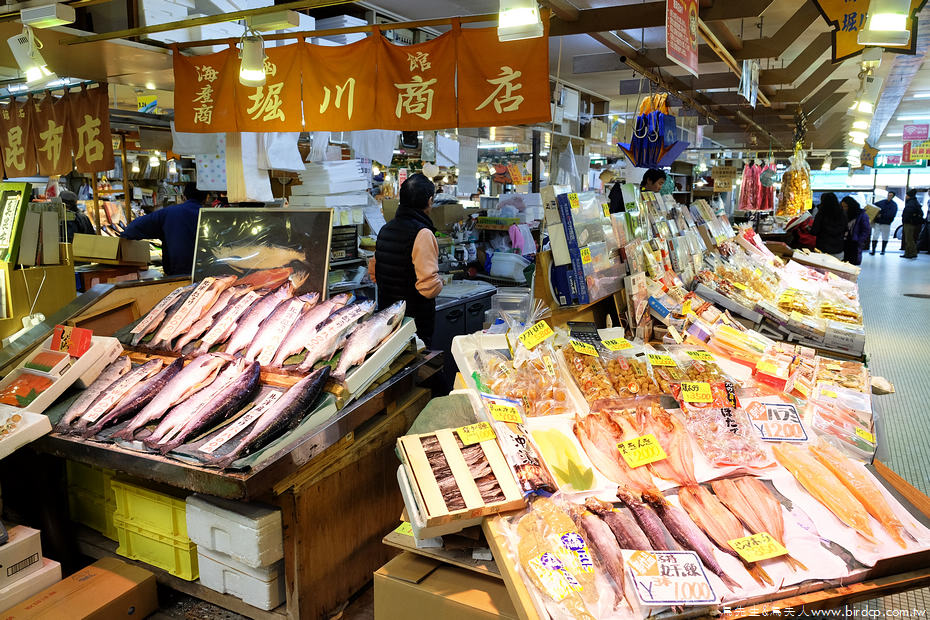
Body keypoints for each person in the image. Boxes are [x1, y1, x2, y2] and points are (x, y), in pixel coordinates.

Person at [374, 173, 442, 347]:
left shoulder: (385, 229)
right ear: (430, 201)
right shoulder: (423, 233)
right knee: (419, 368)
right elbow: (428, 288)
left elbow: (374, 273)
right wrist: (440, 283)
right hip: (414, 321)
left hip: (387, 318)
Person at [121, 182, 207, 276]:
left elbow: (131, 229)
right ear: (206, 198)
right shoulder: (212, 215)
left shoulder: (168, 213)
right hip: (209, 274)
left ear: (183, 196)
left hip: (177, 275)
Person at [809, 192, 846, 260]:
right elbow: (845, 229)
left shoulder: (821, 214)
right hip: (838, 248)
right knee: (836, 269)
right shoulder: (842, 214)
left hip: (823, 249)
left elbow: (814, 231)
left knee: (822, 270)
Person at [842, 196, 870, 266]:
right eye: (843, 206)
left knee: (852, 263)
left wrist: (859, 241)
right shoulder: (843, 214)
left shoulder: (862, 215)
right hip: (843, 242)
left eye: (846, 206)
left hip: (854, 242)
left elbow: (866, 230)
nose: (844, 208)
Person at [870, 191, 897, 255]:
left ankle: (883, 250)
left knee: (885, 237)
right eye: (889, 195)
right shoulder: (881, 202)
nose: (889, 196)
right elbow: (874, 206)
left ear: (893, 197)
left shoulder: (894, 205)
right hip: (878, 222)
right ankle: (873, 250)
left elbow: (892, 214)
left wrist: (881, 215)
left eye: (891, 195)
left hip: (886, 223)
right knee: (875, 236)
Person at [901, 188, 923, 259]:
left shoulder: (911, 203)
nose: (905, 196)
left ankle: (911, 253)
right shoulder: (914, 202)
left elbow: (908, 213)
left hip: (909, 223)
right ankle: (908, 253)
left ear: (909, 196)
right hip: (911, 223)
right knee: (909, 239)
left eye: (906, 195)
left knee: (909, 239)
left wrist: (906, 220)